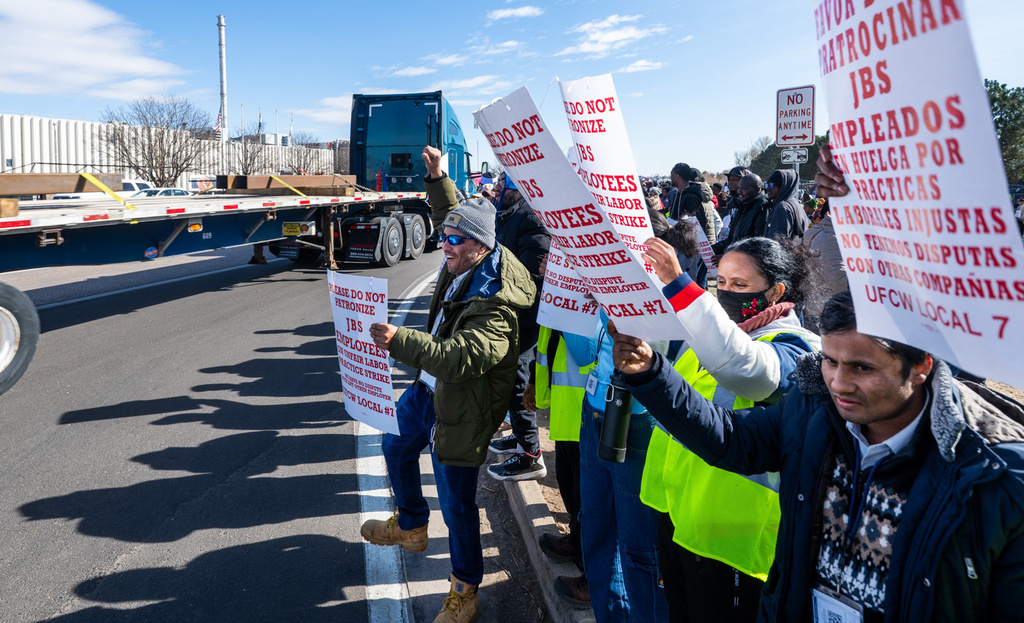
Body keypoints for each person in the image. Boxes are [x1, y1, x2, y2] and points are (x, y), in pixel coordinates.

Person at [612, 289, 1024, 621]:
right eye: (830, 360)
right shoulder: (812, 410)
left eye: (862, 368)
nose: (839, 383)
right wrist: (651, 373)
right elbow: (732, 440)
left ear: (921, 367)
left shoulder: (993, 475)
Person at [361, 162, 537, 623]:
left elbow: (460, 357)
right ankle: (413, 525)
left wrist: (400, 340)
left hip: (461, 407)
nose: (444, 246)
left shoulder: (498, 302)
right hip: (427, 390)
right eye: (445, 237)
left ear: (480, 246)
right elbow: (454, 213)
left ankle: (465, 590)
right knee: (394, 445)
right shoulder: (468, 250)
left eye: (453, 241)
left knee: (457, 505)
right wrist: (438, 177)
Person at [629, 235, 820, 621]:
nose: (727, 293)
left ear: (775, 292)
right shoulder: (714, 331)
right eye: (723, 283)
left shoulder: (795, 346)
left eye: (741, 286)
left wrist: (681, 284)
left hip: (736, 536)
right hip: (686, 517)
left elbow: (746, 369)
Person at [562, 313, 670, 622]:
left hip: (637, 421)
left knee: (640, 546)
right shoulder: (592, 285)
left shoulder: (648, 280)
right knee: (596, 532)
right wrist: (571, 304)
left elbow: (661, 351)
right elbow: (584, 355)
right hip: (596, 412)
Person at [486, 172, 552, 481]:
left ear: (521, 188)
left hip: (525, 316)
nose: (498, 187)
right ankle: (521, 439)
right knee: (514, 380)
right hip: (512, 313)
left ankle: (531, 456)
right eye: (498, 182)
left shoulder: (532, 219)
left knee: (519, 382)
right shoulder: (508, 213)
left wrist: (496, 290)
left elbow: (530, 276)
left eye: (504, 183)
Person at [802, 200, 847, 333]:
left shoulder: (832, 233)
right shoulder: (829, 238)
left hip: (824, 309)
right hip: (825, 313)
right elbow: (837, 281)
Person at [713, 173, 769, 255]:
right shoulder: (742, 206)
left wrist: (728, 258)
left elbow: (757, 245)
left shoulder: (762, 208)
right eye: (739, 188)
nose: (739, 192)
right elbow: (732, 240)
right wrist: (715, 247)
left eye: (743, 189)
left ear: (757, 189)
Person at [668, 162, 716, 242]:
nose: (670, 177)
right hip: (677, 242)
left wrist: (674, 227)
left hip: (687, 247)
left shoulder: (691, 197)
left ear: (677, 176)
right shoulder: (678, 194)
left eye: (671, 174)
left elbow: (697, 225)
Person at [763, 169, 808, 241]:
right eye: (767, 185)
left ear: (783, 187)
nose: (767, 188)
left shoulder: (782, 207)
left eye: (771, 185)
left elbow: (778, 242)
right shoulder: (795, 204)